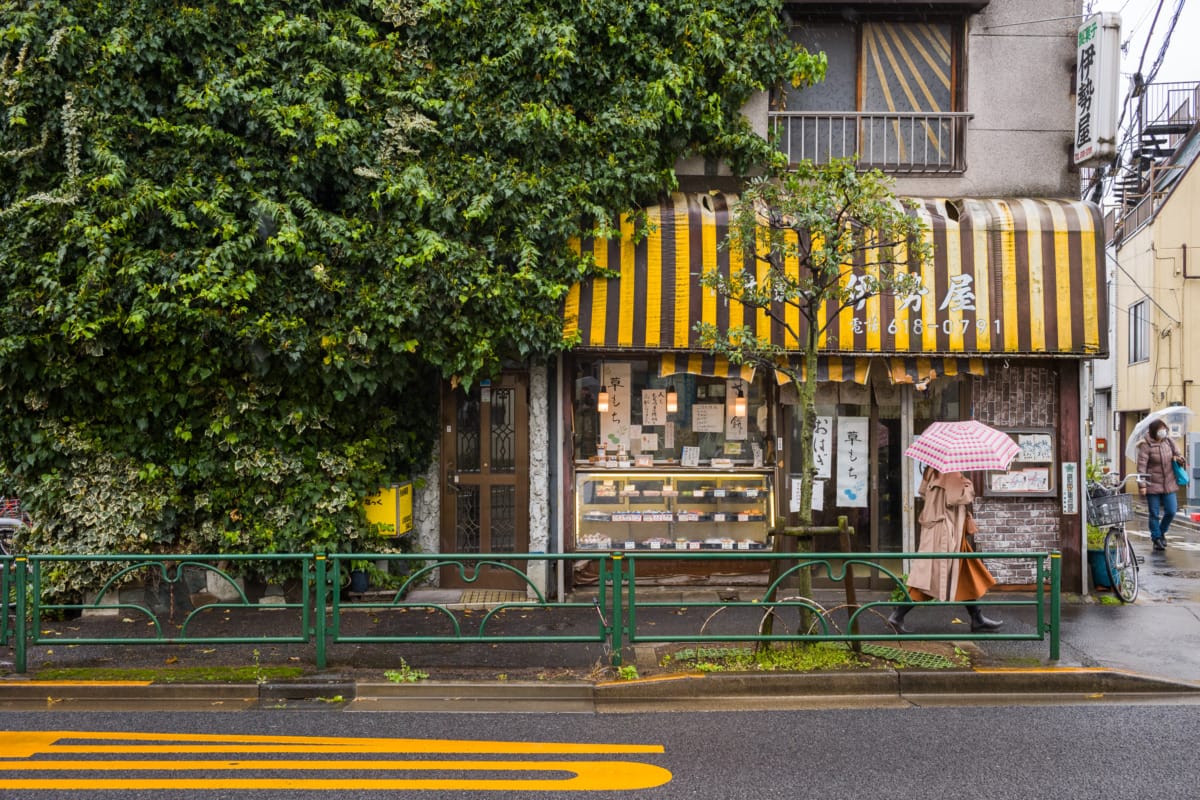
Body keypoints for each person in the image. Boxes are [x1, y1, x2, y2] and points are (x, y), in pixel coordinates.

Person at [887, 467, 1003, 633]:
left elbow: (923, 493)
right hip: (946, 535)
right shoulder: (952, 473)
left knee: (965, 573)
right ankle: (897, 616)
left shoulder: (931, 471)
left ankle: (977, 618)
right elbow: (957, 498)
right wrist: (968, 484)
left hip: (939, 531)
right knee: (929, 578)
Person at [1135, 418, 1187, 551]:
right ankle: (1156, 538)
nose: (1163, 432)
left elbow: (1179, 455)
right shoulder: (1146, 446)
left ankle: (1161, 531)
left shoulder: (1169, 442)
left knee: (1171, 511)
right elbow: (1141, 467)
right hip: (1152, 485)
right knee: (1154, 513)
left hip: (1169, 484)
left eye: (1164, 429)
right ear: (1154, 432)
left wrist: (1179, 459)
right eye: (1160, 430)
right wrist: (1142, 486)